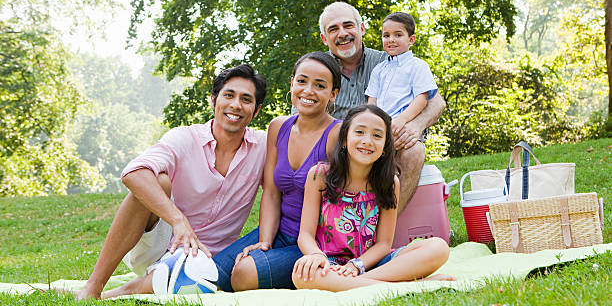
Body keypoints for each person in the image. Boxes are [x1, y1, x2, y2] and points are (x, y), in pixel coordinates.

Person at [74, 64, 268, 299]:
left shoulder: (264, 148)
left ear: (256, 110)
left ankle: (120, 292)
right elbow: (133, 172)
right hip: (162, 244)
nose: (236, 105)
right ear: (213, 100)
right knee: (157, 180)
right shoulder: (185, 137)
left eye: (246, 99)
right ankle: (92, 287)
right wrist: (179, 221)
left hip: (211, 259)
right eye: (229, 95)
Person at [212, 51, 342, 291]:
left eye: (320, 85)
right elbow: (271, 193)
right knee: (213, 274)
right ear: (292, 84)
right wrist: (265, 242)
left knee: (244, 275)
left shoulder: (338, 134)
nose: (308, 91)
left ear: (333, 94)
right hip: (280, 231)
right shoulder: (278, 127)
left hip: (317, 244)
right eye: (302, 81)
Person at [291, 105, 451, 291]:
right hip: (330, 263)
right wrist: (316, 256)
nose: (367, 141)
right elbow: (305, 235)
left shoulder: (389, 182)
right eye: (359, 132)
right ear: (344, 140)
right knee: (302, 276)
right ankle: (408, 286)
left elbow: (384, 244)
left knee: (438, 247)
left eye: (377, 135)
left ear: (384, 146)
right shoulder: (319, 175)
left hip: (373, 263)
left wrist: (356, 266)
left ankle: (359, 283)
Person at [318, 2, 446, 211]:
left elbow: (436, 101)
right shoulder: (319, 69)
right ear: (324, 38)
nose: (342, 34)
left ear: (361, 29)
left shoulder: (389, 60)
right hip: (338, 149)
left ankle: (388, 227)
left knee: (414, 150)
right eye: (333, 29)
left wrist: (416, 126)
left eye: (348, 25)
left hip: (384, 141)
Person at [365, 12, 438, 145]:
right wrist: (371, 121)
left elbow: (421, 98)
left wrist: (401, 120)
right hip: (379, 126)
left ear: (411, 40)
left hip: (403, 125)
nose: (391, 39)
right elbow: (372, 100)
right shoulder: (379, 69)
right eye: (386, 35)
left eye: (398, 35)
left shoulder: (418, 66)